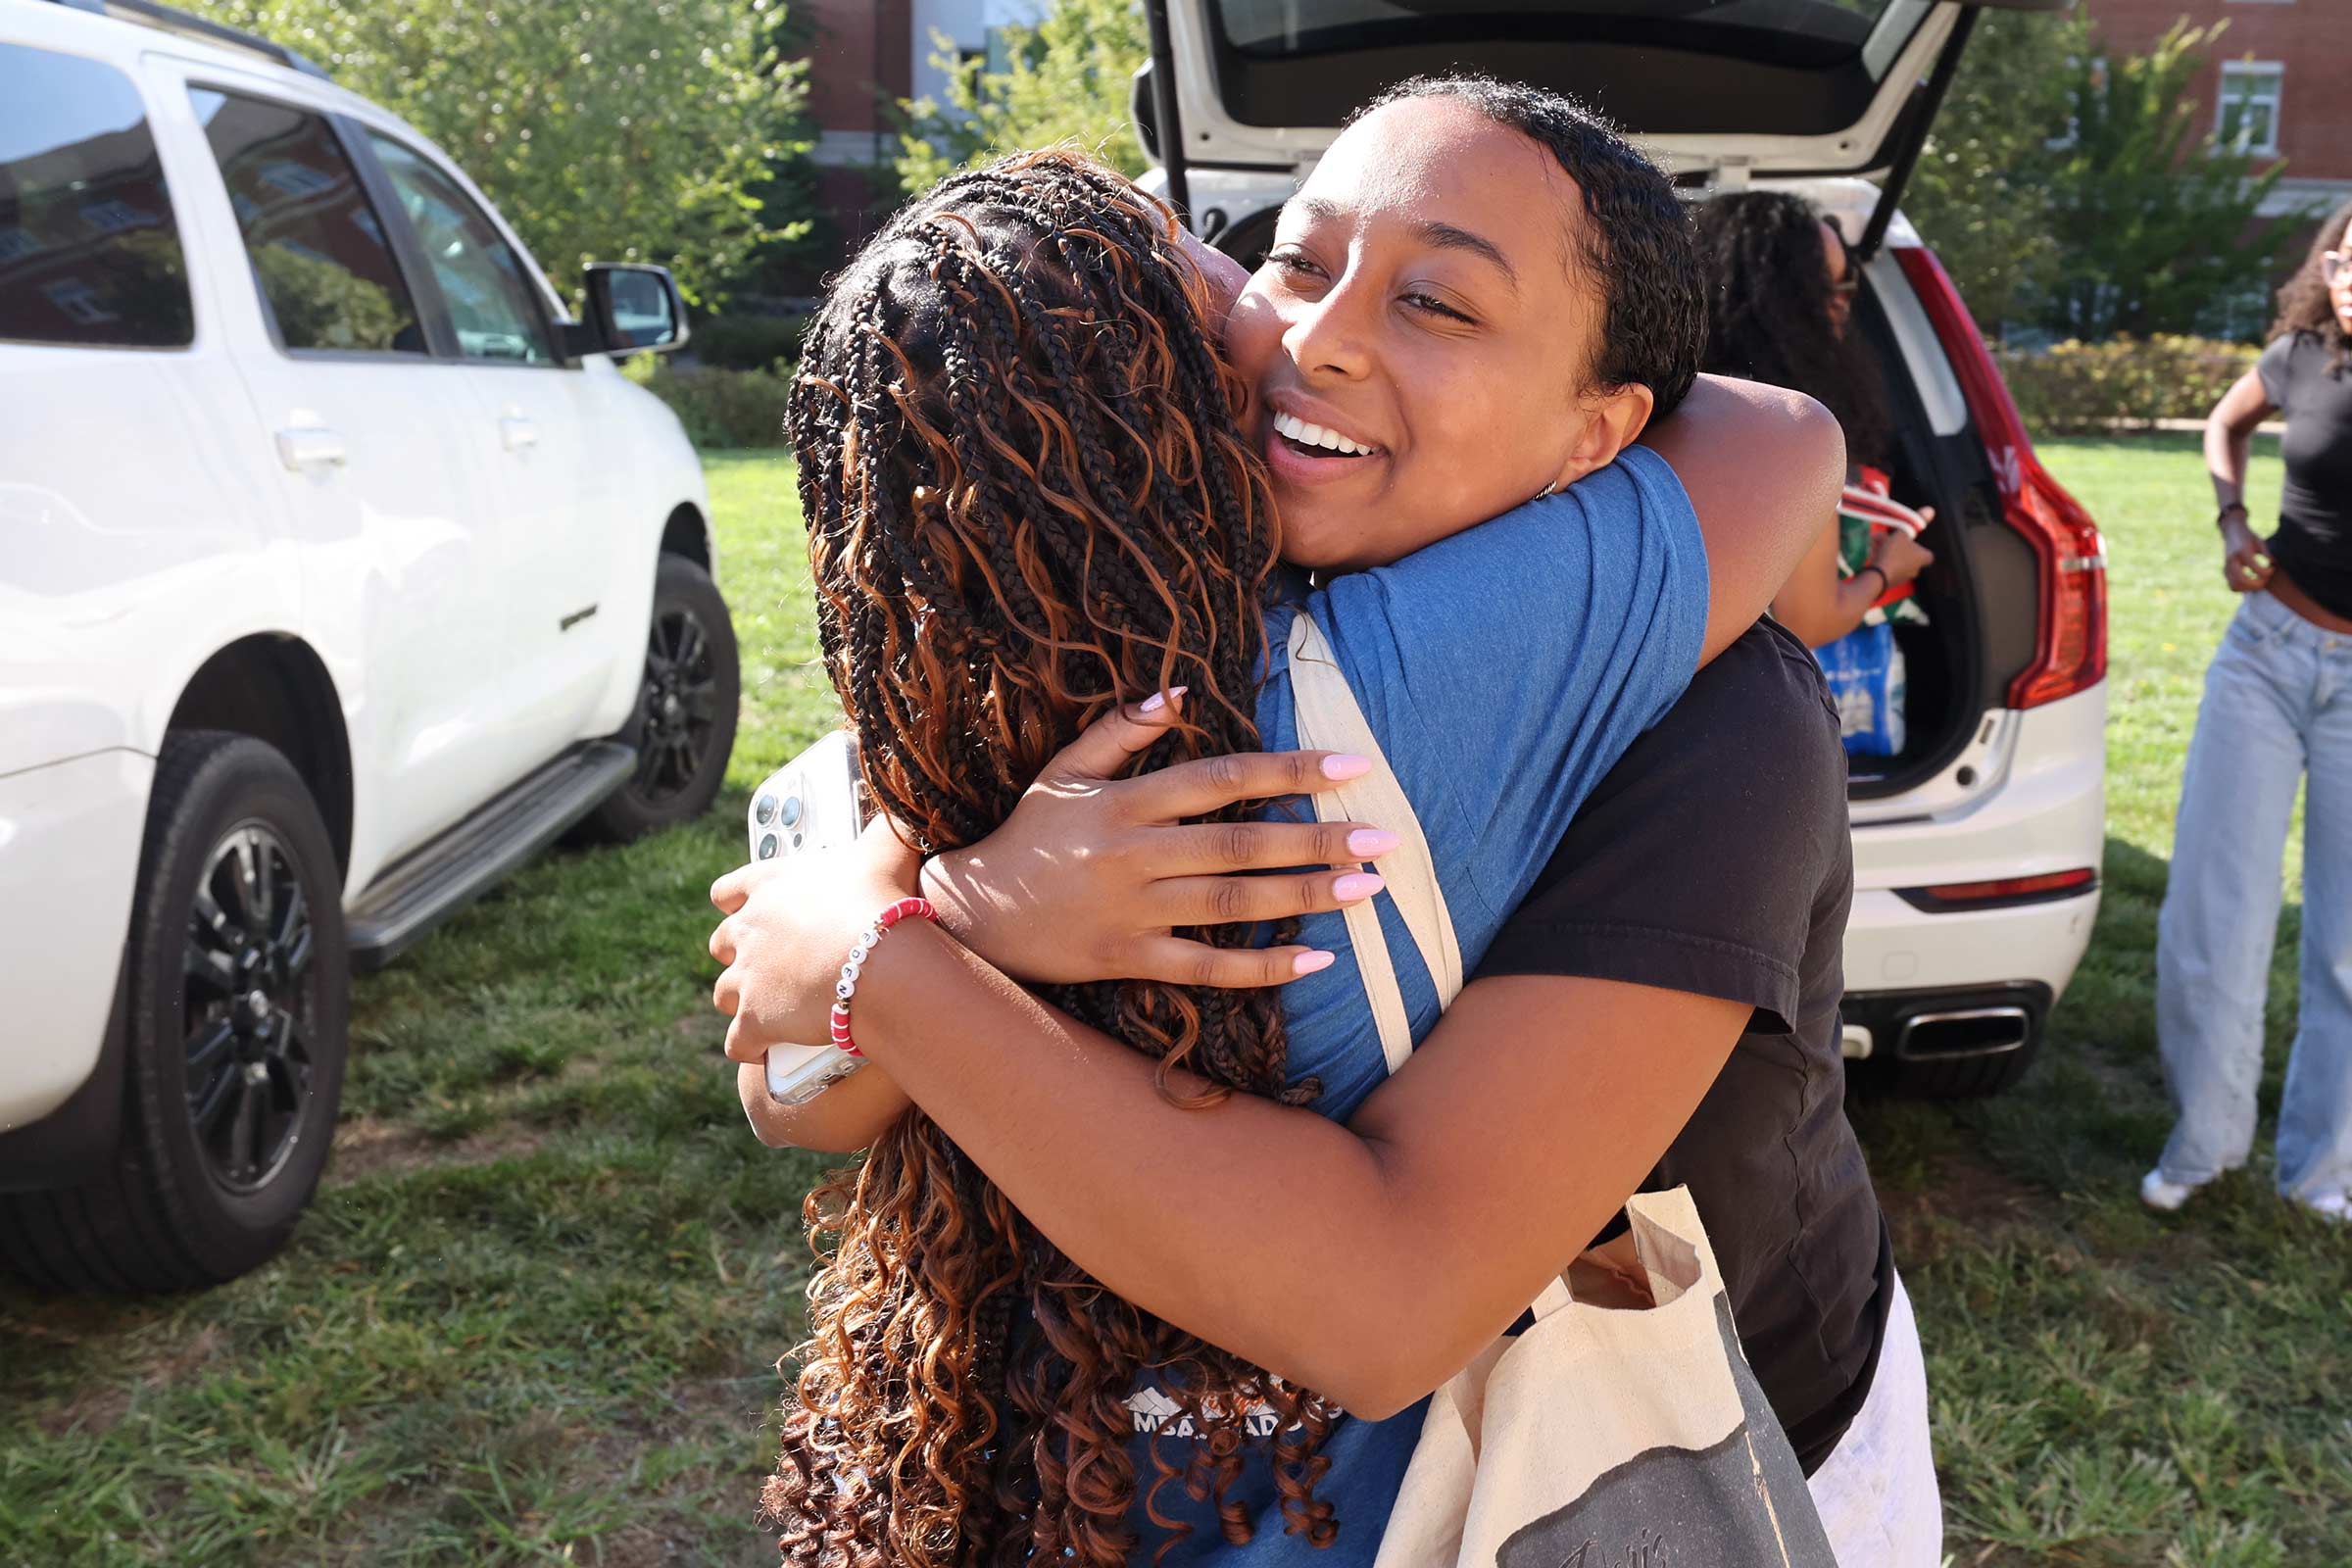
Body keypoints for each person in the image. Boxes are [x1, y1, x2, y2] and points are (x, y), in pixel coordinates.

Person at [712, 83, 1890, 1566]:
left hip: (1691, 1445)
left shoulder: (1716, 720)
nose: (1319, 336)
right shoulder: (1126, 624)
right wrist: (958, 908)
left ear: (1606, 432)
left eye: (1441, 304)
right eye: (1287, 257)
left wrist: (914, 938)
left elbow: (798, 1051)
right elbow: (1780, 434)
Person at [2146, 198, 2352, 1223]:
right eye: (2345, 260)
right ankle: (2206, 1136)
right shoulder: (2300, 353)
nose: (2351, 279)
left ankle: (2323, 1168)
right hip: (2267, 650)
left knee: (2348, 941)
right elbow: (2226, 423)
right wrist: (2233, 520)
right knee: (2214, 904)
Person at [1691, 190, 1935, 649]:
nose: (1845, 305)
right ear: (1785, 303)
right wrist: (1890, 568)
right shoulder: (1784, 430)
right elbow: (1809, 622)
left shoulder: (1676, 406)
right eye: (1834, 288)